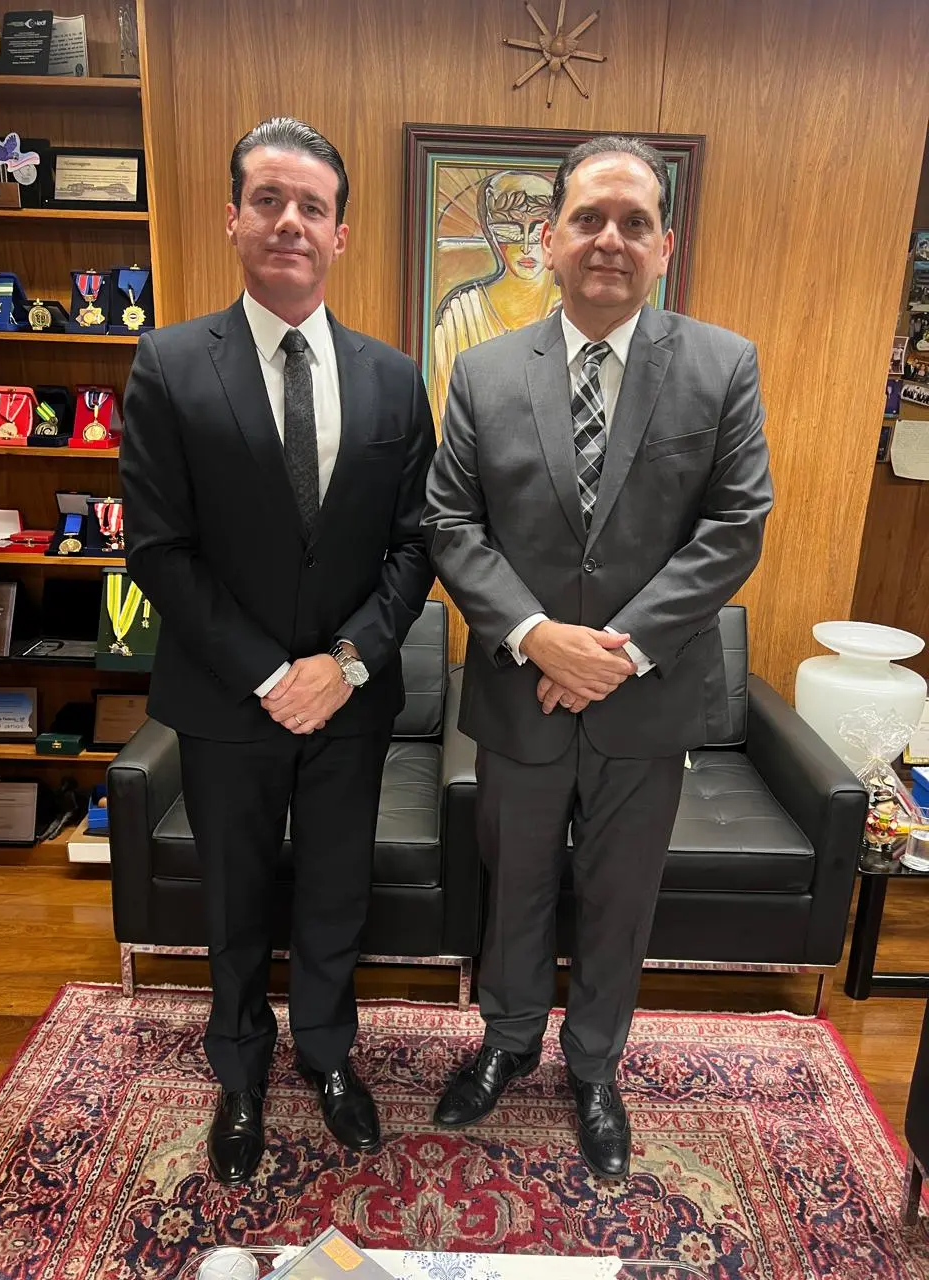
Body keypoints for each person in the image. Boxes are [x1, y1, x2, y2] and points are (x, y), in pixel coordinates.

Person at [422, 135, 772, 1179]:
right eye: (588, 218)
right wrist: (537, 636)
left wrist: (619, 651)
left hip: (644, 701)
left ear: (666, 244)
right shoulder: (483, 372)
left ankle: (594, 1068)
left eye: (634, 221)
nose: (609, 239)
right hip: (519, 694)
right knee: (515, 886)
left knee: (620, 898)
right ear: (549, 238)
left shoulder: (722, 365)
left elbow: (735, 526)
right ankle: (507, 1041)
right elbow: (449, 524)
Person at [120, 116, 436, 1186]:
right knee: (236, 899)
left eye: (312, 206)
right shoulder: (169, 365)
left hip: (351, 699)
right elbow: (158, 548)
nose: (290, 220)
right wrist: (268, 672)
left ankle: (329, 1057)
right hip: (226, 699)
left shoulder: (395, 379)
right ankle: (242, 1074)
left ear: (340, 233)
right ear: (233, 218)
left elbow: (415, 545)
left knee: (337, 891)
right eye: (268, 199)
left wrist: (342, 664)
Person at [431, 170, 560, 422]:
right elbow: (444, 418)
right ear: (490, 232)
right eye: (509, 231)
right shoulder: (462, 316)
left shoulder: (571, 314)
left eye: (537, 232)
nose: (525, 246)